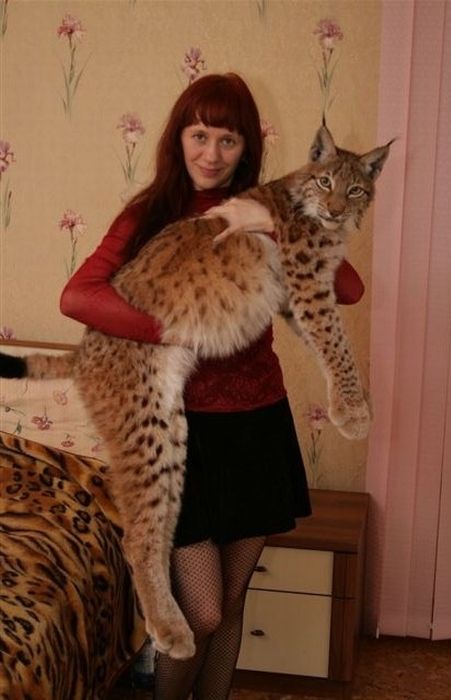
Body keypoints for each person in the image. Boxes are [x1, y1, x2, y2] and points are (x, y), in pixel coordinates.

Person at [60, 73, 364, 700]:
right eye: (200, 135)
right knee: (203, 612)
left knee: (233, 602)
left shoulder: (270, 207)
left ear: (247, 146)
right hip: (183, 432)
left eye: (228, 139)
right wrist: (174, 331)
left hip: (258, 422)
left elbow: (348, 288)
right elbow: (78, 296)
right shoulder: (149, 214)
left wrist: (269, 220)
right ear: (179, 138)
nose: (212, 153)